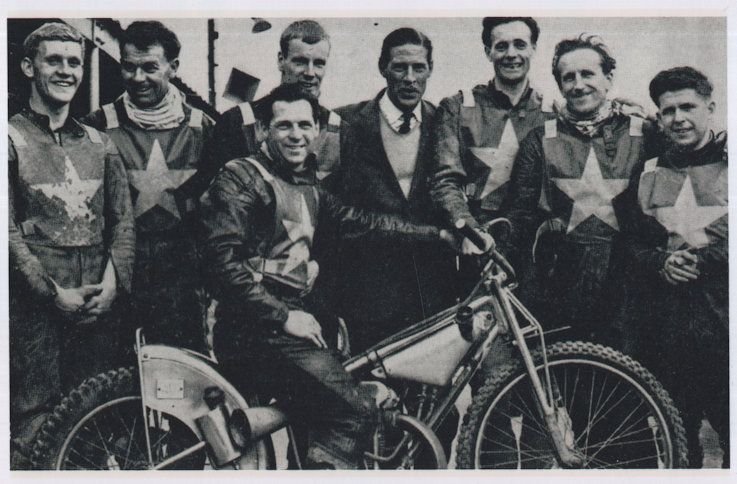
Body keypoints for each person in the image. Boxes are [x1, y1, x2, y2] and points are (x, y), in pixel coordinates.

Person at [198, 83, 457, 469]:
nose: (296, 135)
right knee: (355, 407)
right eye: (284, 126)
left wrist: (439, 236)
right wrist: (284, 316)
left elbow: (365, 223)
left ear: (318, 131)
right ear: (263, 130)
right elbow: (221, 264)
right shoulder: (242, 178)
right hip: (250, 330)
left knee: (344, 399)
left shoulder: (308, 186)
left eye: (305, 125)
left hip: (285, 328)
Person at [9, 22, 135, 469]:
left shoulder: (101, 143)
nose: (66, 71)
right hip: (33, 314)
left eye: (74, 62)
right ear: (29, 67)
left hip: (96, 308)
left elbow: (122, 221)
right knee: (32, 419)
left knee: (95, 414)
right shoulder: (10, 139)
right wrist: (50, 293)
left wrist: (113, 283)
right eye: (53, 60)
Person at [506, 34, 655, 348]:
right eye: (568, 77)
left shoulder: (644, 133)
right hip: (559, 283)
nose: (578, 85)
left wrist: (655, 120)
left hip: (627, 284)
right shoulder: (539, 139)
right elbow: (519, 214)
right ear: (560, 86)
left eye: (587, 74)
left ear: (608, 77)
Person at [83, 20, 215, 352]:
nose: (138, 79)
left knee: (182, 381)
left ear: (173, 68)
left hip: (183, 284)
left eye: (149, 68)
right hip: (119, 279)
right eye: (129, 68)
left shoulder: (206, 129)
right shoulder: (97, 125)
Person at [327, 27, 456, 353]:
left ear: (430, 69)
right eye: (400, 67)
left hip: (431, 291)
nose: (410, 78)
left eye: (419, 68)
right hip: (367, 291)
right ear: (383, 67)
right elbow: (329, 205)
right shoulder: (345, 123)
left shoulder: (444, 121)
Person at [624, 67, 728, 468]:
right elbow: (632, 242)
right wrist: (662, 264)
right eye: (668, 111)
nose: (678, 118)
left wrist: (700, 261)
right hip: (669, 331)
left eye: (688, 106)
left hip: (724, 324)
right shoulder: (649, 169)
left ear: (710, 107)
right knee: (678, 441)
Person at [430, 17, 547, 243]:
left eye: (520, 44)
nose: (511, 54)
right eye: (501, 46)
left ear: (533, 48)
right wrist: (471, 233)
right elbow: (444, 181)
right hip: (472, 242)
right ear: (488, 52)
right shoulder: (458, 107)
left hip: (530, 245)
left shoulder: (551, 112)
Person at [206, 19, 342, 181]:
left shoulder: (339, 130)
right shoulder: (236, 122)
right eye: (300, 62)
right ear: (280, 60)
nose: (310, 73)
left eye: (319, 64)